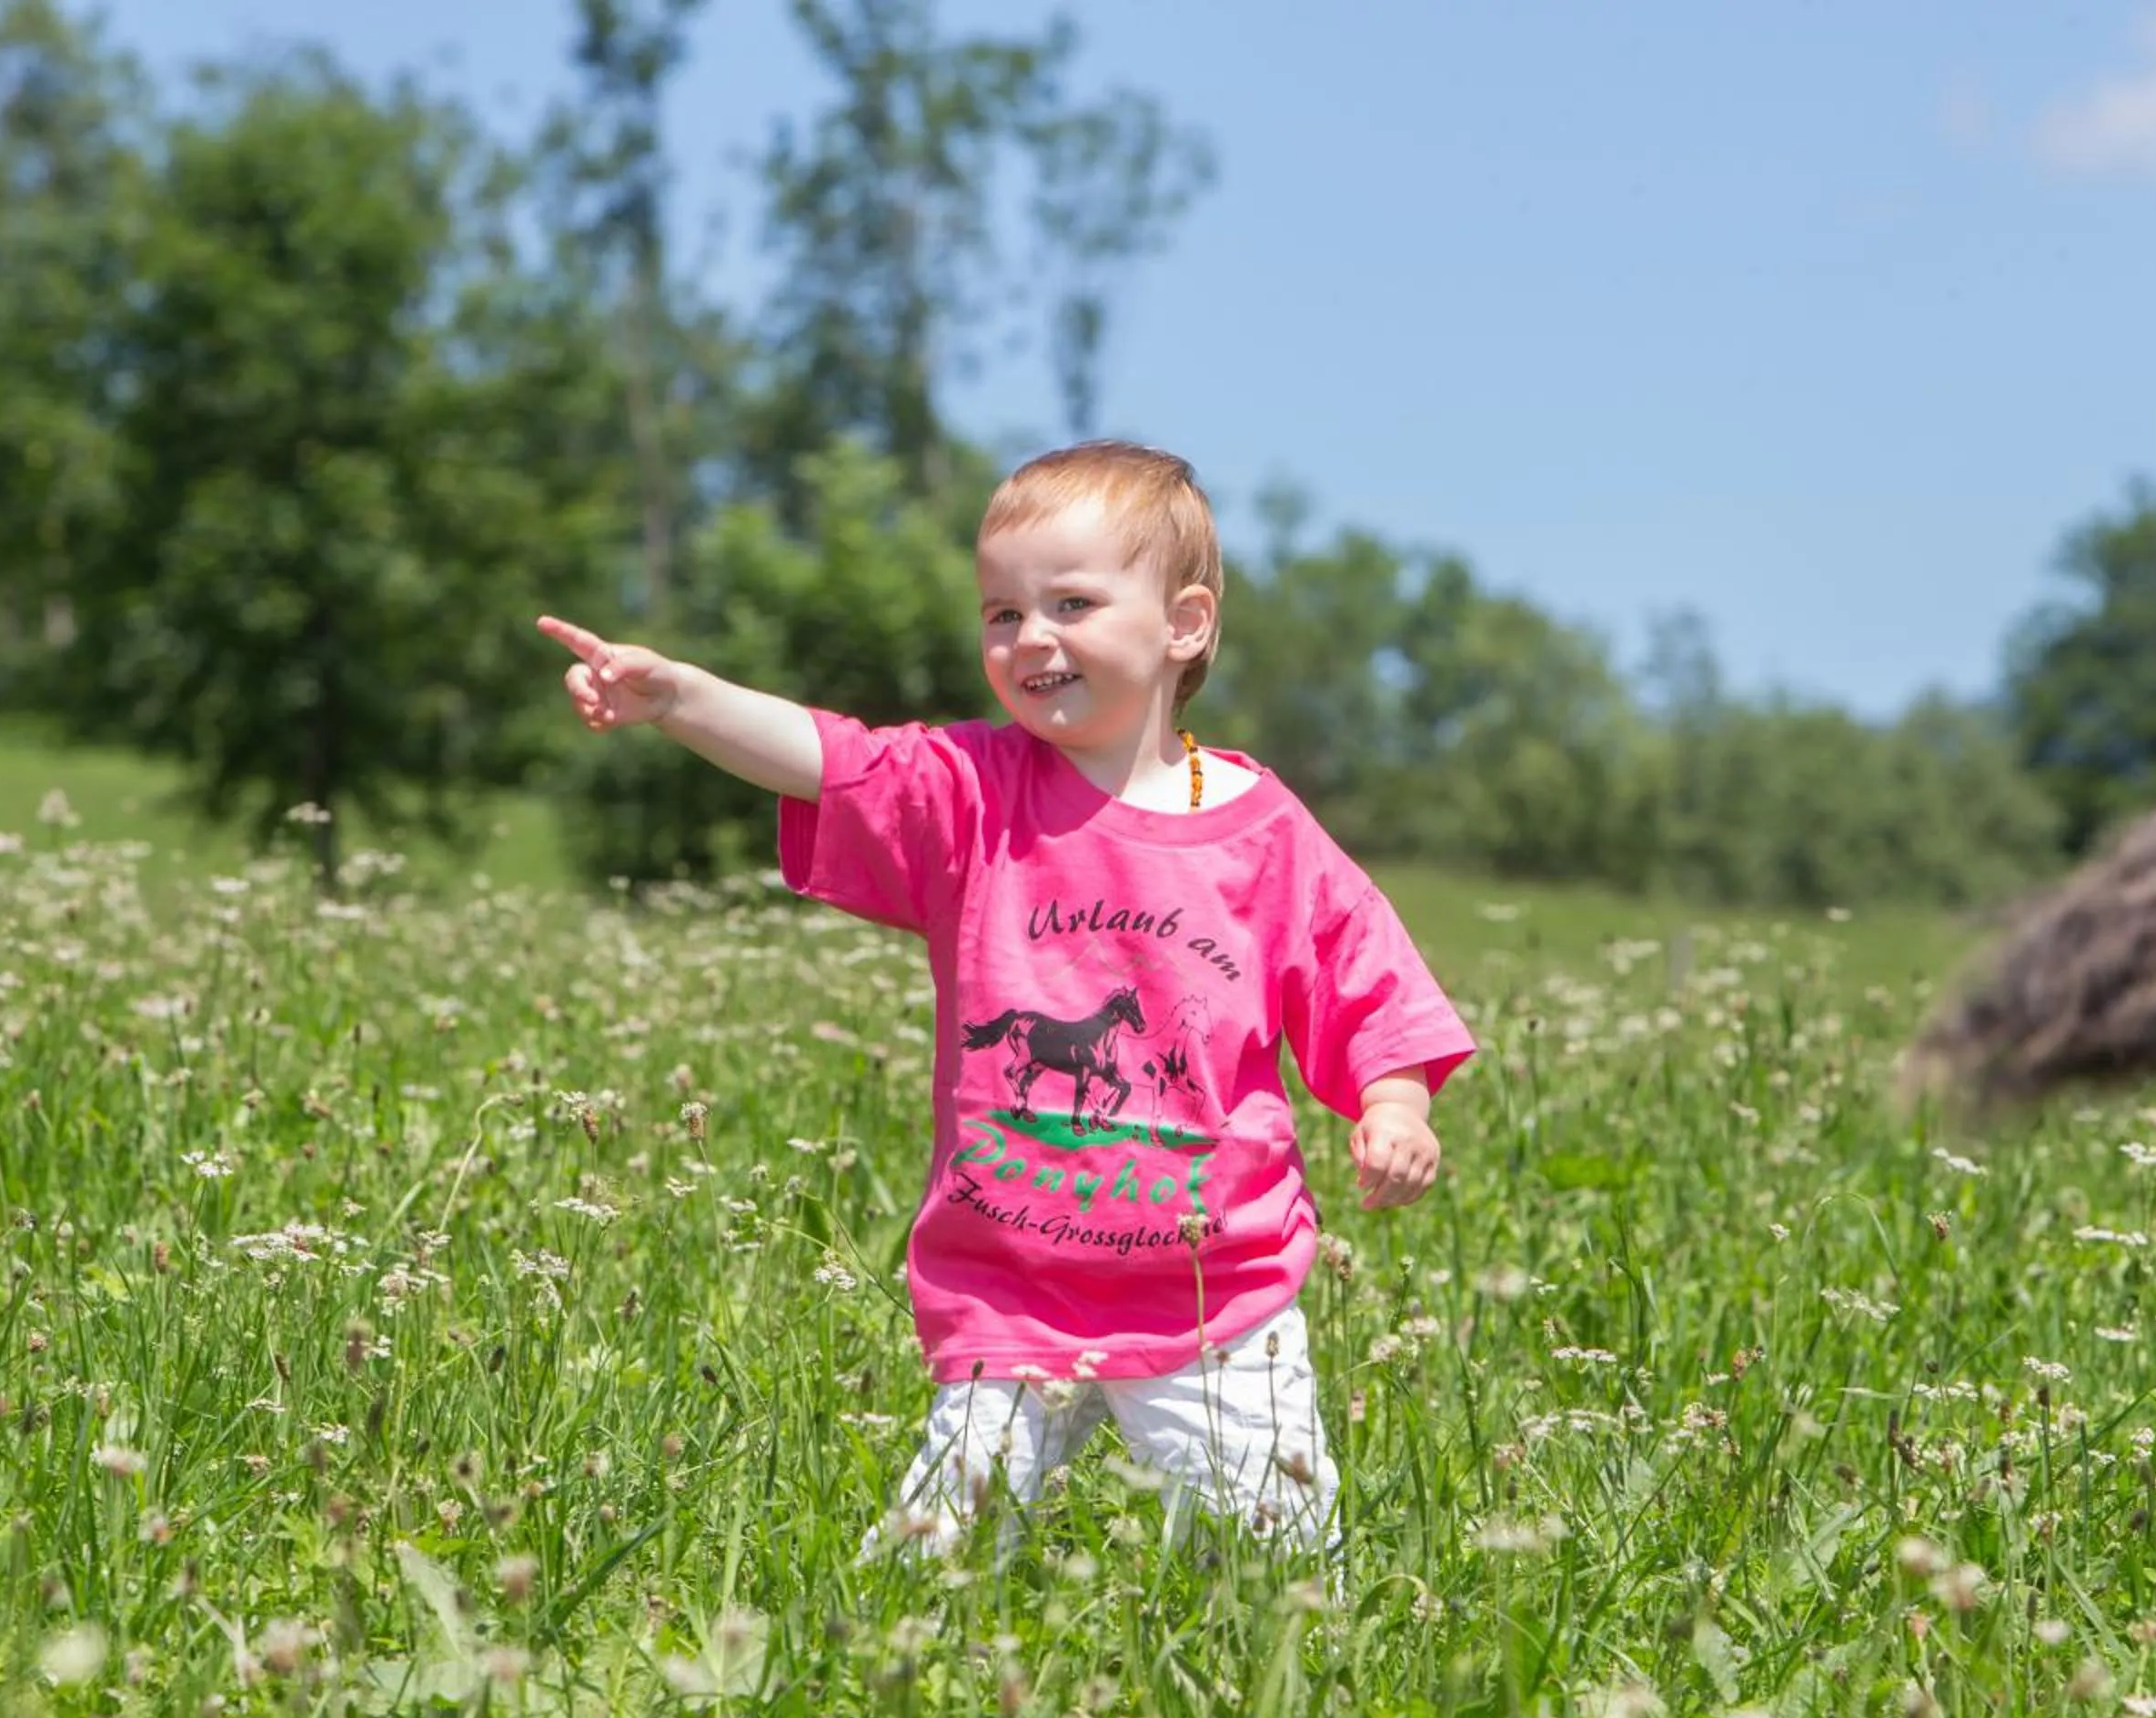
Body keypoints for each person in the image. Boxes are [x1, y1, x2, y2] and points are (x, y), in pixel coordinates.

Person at [538, 439, 1476, 1559]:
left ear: (1184, 622)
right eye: (1000, 614)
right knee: (935, 1558)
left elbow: (1365, 980)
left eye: (1070, 603)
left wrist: (1398, 1105)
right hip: (1009, 1282)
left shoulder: (1265, 834)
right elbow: (829, 758)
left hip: (1210, 1290)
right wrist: (681, 697)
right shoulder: (971, 792)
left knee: (1277, 1570)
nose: (1030, 639)